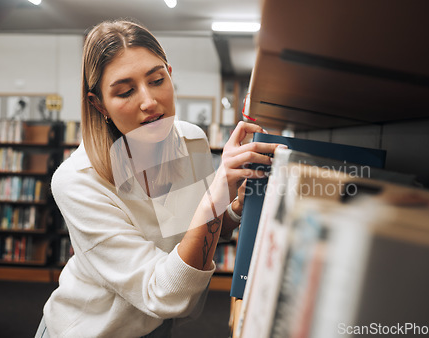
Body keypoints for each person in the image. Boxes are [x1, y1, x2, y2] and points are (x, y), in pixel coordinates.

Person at [35, 19, 283, 337]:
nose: (149, 102)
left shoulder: (191, 140)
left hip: (157, 326)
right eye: (125, 91)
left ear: (170, 73)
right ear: (99, 105)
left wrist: (235, 207)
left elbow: (190, 235)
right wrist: (217, 192)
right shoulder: (78, 180)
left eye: (156, 80)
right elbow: (162, 292)